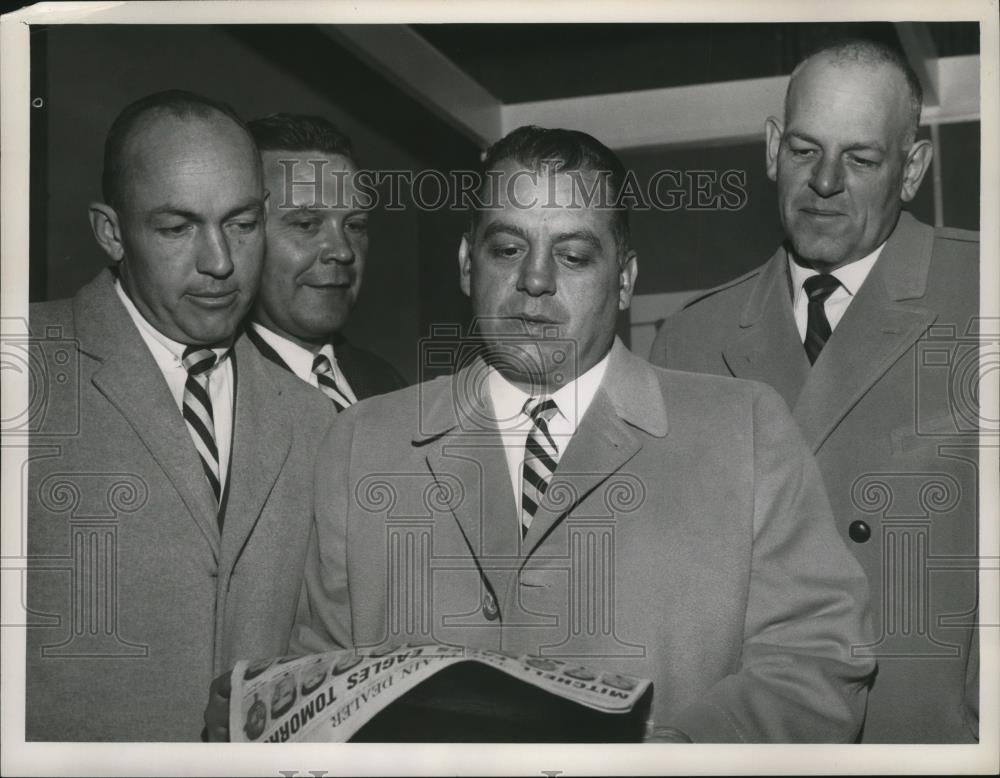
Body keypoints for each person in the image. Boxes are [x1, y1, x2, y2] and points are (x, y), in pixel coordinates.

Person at [278, 126, 877, 742]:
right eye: (508, 249)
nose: (536, 280)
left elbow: (817, 661)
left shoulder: (744, 430)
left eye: (573, 256)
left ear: (624, 280)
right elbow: (321, 678)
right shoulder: (362, 443)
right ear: (466, 263)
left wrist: (679, 757)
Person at [651, 40, 979, 743]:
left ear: (913, 168)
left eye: (861, 159)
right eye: (804, 151)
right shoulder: (688, 342)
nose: (825, 181)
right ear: (771, 149)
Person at [25, 91, 335, 741]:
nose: (220, 262)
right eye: (176, 228)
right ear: (110, 231)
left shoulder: (314, 419)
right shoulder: (20, 368)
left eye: (243, 224)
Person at [243, 113, 405, 406]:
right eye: (306, 224)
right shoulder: (219, 394)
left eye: (354, 225)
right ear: (242, 232)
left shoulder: (387, 386)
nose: (343, 251)